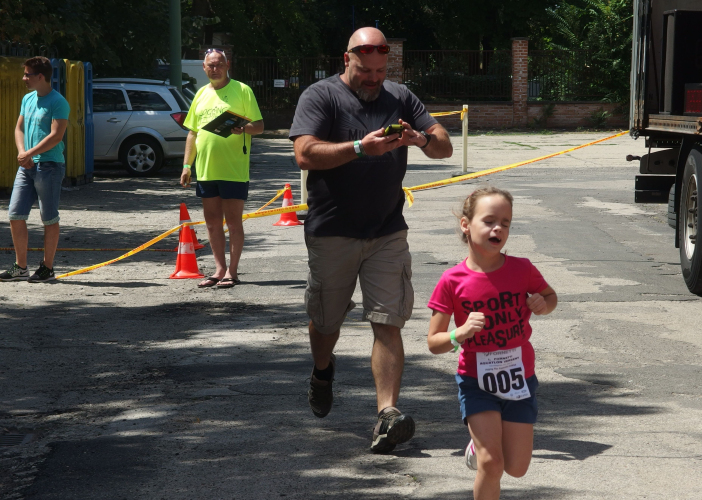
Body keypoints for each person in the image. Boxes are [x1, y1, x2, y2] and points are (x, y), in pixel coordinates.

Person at [289, 27, 453, 453]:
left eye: (381, 71)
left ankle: (387, 414)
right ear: (347, 60)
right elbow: (305, 153)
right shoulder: (320, 96)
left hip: (387, 230)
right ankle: (322, 371)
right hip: (332, 231)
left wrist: (421, 139)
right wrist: (360, 149)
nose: (374, 78)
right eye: (366, 70)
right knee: (326, 323)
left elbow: (444, 148)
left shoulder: (400, 97)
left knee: (387, 320)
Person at [427, 187, 557, 500]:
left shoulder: (522, 269)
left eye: (505, 223)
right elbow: (434, 342)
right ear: (465, 225)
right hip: (475, 381)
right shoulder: (451, 280)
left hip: (519, 379)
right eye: (489, 221)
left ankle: (478, 444)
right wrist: (459, 333)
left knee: (516, 467)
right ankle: (483, 448)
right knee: (492, 462)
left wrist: (544, 303)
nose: (497, 228)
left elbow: (551, 297)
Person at [180, 48, 264, 288]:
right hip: (206, 169)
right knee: (212, 222)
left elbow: (258, 126)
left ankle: (233, 272)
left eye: (218, 64)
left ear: (228, 66)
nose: (214, 69)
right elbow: (192, 132)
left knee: (234, 222)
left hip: (234, 169)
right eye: (210, 65)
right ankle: (219, 270)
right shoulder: (200, 94)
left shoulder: (242, 90)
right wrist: (187, 165)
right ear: (204, 68)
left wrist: (243, 128)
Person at [1, 57, 70, 283]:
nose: (24, 78)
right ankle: (21, 267)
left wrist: (29, 154)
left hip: (49, 166)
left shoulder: (58, 102)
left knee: (48, 218)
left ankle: (47, 268)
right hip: (27, 166)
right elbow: (19, 127)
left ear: (40, 76)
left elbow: (56, 136)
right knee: (15, 214)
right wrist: (23, 153)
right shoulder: (28, 99)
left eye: (27, 74)